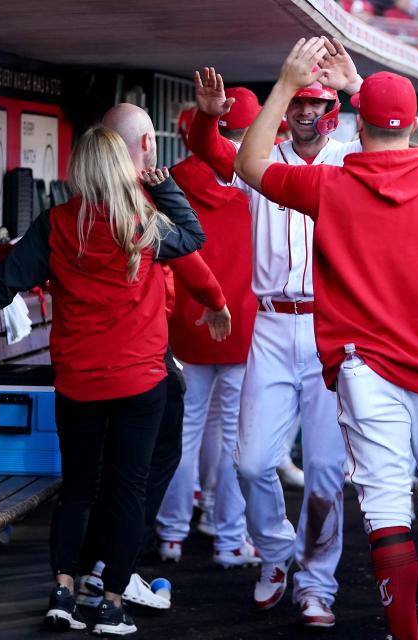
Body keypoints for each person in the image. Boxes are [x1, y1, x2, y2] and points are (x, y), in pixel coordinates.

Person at [234, 38, 418, 640]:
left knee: (386, 502)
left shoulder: (333, 186)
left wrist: (283, 84)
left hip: (364, 368)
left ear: (357, 127)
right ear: (415, 125)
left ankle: (405, 634)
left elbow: (248, 162)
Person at [0, 127, 206, 636]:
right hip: (139, 382)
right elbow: (193, 237)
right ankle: (111, 604)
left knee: (77, 490)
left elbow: (0, 288)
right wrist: (165, 188)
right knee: (127, 492)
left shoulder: (54, 225)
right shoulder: (142, 223)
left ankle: (63, 591)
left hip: (77, 384)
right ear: (122, 169)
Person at [184, 39, 365, 627]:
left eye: (317, 102)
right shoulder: (262, 152)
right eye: (299, 103)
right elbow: (212, 150)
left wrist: (356, 84)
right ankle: (278, 552)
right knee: (252, 463)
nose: (308, 113)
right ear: (285, 106)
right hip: (270, 325)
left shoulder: (349, 157)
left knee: (324, 473)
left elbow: (403, 147)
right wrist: (213, 113)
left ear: (331, 107)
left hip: (331, 324)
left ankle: (317, 585)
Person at [73, 104, 230, 614]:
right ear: (144, 145)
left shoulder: (82, 200)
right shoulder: (141, 195)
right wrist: (216, 301)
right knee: (138, 471)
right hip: (139, 361)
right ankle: (112, 573)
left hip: (87, 369)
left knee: (109, 474)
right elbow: (190, 253)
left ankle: (99, 571)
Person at [156, 88, 261, 568]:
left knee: (185, 430)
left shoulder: (174, 177)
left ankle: (172, 534)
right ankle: (227, 538)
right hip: (243, 322)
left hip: (188, 321)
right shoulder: (262, 179)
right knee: (234, 438)